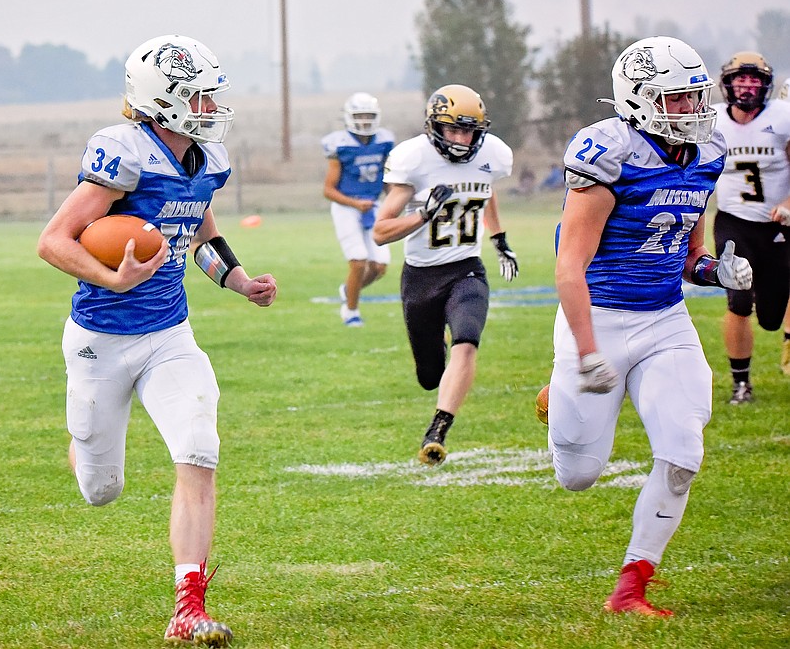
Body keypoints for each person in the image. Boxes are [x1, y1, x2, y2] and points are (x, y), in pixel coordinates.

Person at [37, 34, 277, 647]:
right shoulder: (125, 154)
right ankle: (82, 443)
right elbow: (54, 240)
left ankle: (188, 607)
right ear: (163, 99)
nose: (209, 105)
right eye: (198, 94)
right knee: (101, 489)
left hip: (169, 333)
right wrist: (109, 276)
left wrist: (240, 280)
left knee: (199, 448)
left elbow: (199, 232)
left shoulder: (206, 159)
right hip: (100, 338)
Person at [546, 36, 752, 616]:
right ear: (638, 99)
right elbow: (569, 267)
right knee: (579, 476)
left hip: (664, 318)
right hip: (600, 317)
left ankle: (632, 584)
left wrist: (718, 271)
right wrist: (586, 352)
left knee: (683, 452)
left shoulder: (707, 152)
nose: (693, 110)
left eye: (695, 96)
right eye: (677, 99)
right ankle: (557, 391)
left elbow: (688, 253)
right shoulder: (608, 153)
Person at [372, 84, 517, 465]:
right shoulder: (413, 159)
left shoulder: (493, 155)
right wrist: (422, 215)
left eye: (468, 130)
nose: (460, 138)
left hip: (467, 269)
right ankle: (436, 387)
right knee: (429, 374)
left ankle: (438, 428)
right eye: (453, 129)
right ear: (434, 127)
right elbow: (380, 231)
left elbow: (485, 191)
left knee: (467, 340)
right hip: (420, 277)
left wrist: (499, 238)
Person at [710, 52, 790, 398]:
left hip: (777, 226)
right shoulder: (711, 121)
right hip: (732, 223)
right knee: (739, 302)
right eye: (740, 79)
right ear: (727, 83)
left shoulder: (783, 117)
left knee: (772, 316)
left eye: (754, 79)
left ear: (765, 85)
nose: (747, 85)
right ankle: (741, 383)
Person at [320, 92, 395, 326]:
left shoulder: (384, 141)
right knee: (358, 261)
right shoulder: (340, 145)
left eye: (368, 116)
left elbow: (387, 180)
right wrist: (355, 203)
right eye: (359, 116)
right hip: (346, 206)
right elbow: (328, 190)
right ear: (349, 118)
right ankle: (351, 312)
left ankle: (348, 290)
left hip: (373, 205)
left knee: (379, 266)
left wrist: (395, 199)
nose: (364, 121)